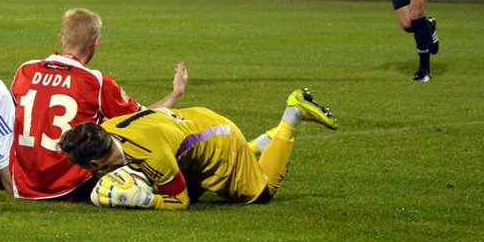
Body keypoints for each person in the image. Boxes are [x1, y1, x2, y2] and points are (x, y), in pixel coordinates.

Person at [9, 8, 188, 201]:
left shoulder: (25, 70)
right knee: (132, 138)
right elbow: (144, 119)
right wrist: (176, 93)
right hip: (72, 186)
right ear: (97, 41)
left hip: (22, 184)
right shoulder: (95, 82)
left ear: (61, 38)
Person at [57, 89, 339, 210]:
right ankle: (267, 140)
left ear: (94, 164)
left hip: (220, 140)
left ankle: (292, 114)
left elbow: (180, 202)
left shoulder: (152, 154)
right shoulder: (110, 127)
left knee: (260, 194)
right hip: (195, 124)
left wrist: (146, 201)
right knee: (183, 184)